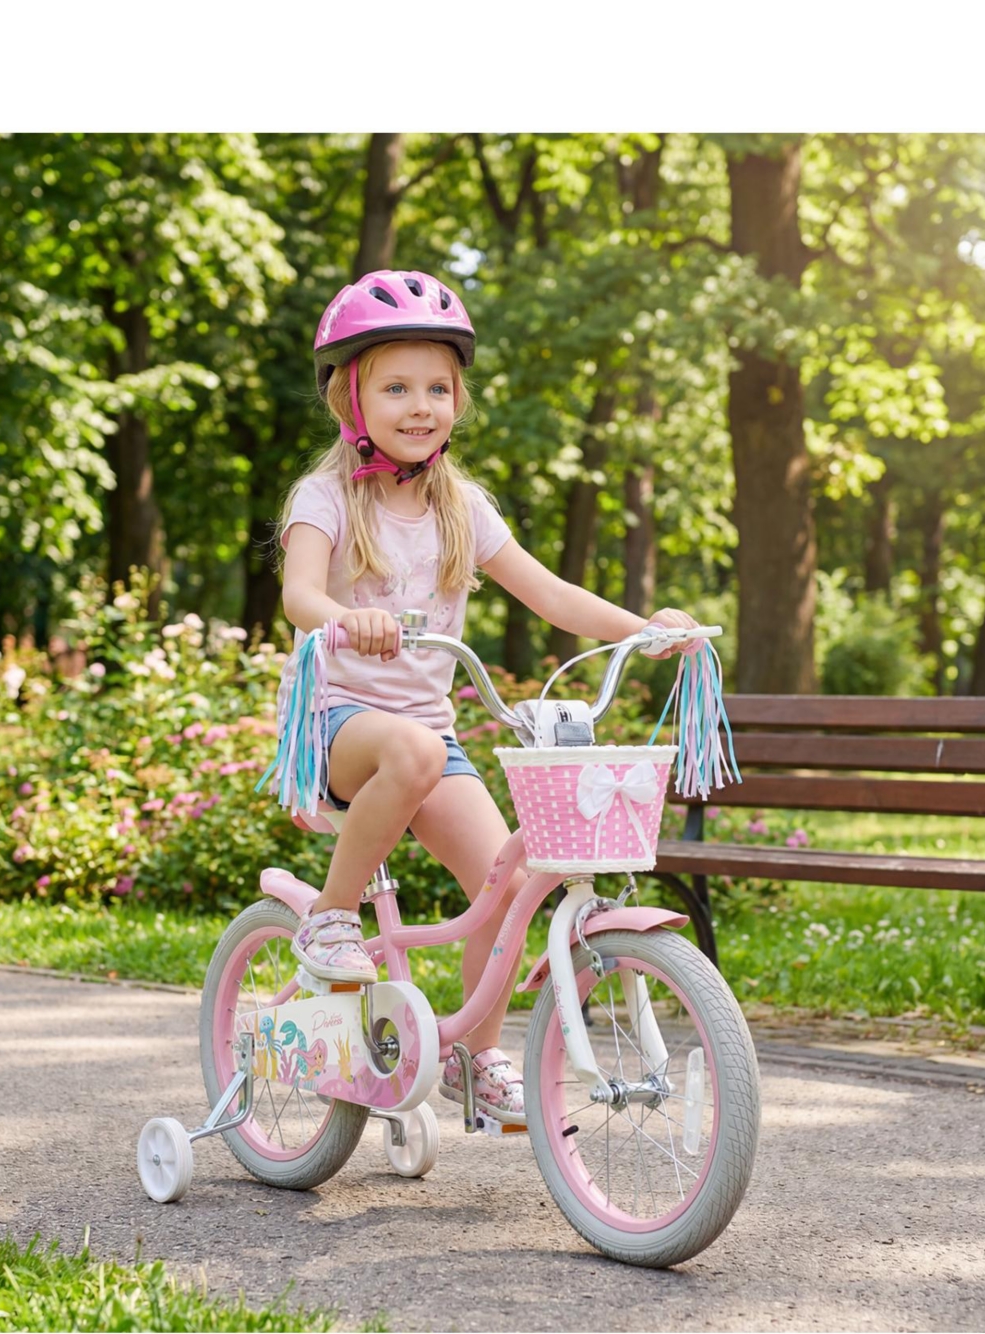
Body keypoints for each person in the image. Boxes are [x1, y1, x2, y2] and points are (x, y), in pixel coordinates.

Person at [275, 268, 698, 1122]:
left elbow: (551, 596)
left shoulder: (461, 506)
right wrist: (347, 622)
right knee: (415, 748)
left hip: (429, 736)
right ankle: (329, 918)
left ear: (459, 399)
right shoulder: (323, 497)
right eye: (396, 387)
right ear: (350, 399)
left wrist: (643, 628)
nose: (420, 404)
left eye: (438, 387)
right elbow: (299, 596)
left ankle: (473, 1054)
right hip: (341, 723)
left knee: (505, 885)